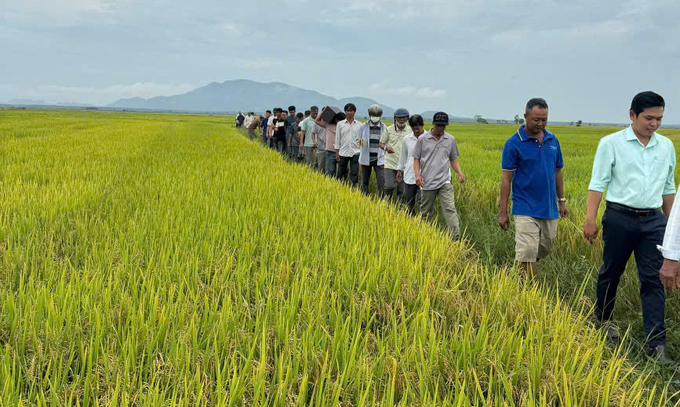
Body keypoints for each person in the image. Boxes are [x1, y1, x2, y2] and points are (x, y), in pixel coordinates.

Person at [584, 91, 675, 363]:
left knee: (653, 279)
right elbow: (598, 183)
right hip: (619, 217)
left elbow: (669, 188)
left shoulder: (666, 146)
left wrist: (672, 231)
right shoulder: (611, 143)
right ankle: (603, 319)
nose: (655, 124)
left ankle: (656, 344)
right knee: (612, 271)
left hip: (653, 221)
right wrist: (590, 220)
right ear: (632, 115)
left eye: (659, 118)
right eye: (649, 118)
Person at [498, 98, 569, 280]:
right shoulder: (513, 143)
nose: (540, 123)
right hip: (524, 206)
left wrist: (561, 202)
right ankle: (527, 292)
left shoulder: (553, 140)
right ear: (525, 116)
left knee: (545, 246)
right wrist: (503, 212)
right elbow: (506, 179)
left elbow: (558, 171)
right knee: (528, 249)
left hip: (549, 207)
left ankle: (520, 270)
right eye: (536, 119)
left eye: (544, 119)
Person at [413, 111, 465, 239]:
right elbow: (416, 159)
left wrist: (459, 173)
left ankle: (455, 238)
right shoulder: (422, 139)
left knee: (450, 209)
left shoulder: (450, 139)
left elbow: (453, 159)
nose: (441, 129)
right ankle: (424, 236)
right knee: (425, 212)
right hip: (427, 182)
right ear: (433, 124)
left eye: (443, 126)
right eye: (438, 126)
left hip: (444, 181)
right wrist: (417, 175)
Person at [380, 108, 411, 200]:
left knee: (402, 190)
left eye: (403, 118)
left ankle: (399, 209)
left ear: (407, 118)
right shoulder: (388, 129)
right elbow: (381, 143)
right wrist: (386, 148)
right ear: (395, 118)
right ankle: (385, 203)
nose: (401, 120)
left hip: (404, 165)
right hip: (390, 163)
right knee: (389, 186)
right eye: (399, 118)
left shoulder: (410, 131)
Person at [397, 114, 425, 214]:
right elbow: (403, 156)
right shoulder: (407, 139)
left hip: (424, 175)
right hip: (409, 174)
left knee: (422, 202)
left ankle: (422, 223)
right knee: (409, 202)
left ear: (423, 125)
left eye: (418, 128)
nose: (416, 131)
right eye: (414, 129)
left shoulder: (428, 138)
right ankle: (410, 221)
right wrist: (399, 170)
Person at [358, 104, 386, 195]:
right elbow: (358, 140)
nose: (375, 118)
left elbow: (387, 142)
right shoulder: (363, 127)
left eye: (377, 116)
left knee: (381, 181)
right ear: (369, 115)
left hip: (379, 158)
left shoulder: (384, 128)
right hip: (366, 157)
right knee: (364, 181)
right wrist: (362, 142)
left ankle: (381, 199)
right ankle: (363, 197)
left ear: (380, 116)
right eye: (373, 116)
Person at [335, 103, 361, 186]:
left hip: (355, 152)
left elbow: (361, 139)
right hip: (343, 152)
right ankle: (340, 187)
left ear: (354, 112)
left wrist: (361, 150)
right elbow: (337, 139)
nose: (349, 112)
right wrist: (337, 153)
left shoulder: (359, 125)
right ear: (345, 111)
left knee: (354, 173)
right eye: (347, 110)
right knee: (341, 173)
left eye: (351, 110)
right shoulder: (340, 124)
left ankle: (353, 189)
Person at [316, 108, 344, 177]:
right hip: (330, 151)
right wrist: (324, 111)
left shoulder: (344, 127)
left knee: (342, 172)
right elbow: (317, 121)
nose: (340, 122)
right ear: (336, 120)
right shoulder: (328, 125)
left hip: (342, 152)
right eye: (338, 120)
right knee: (331, 171)